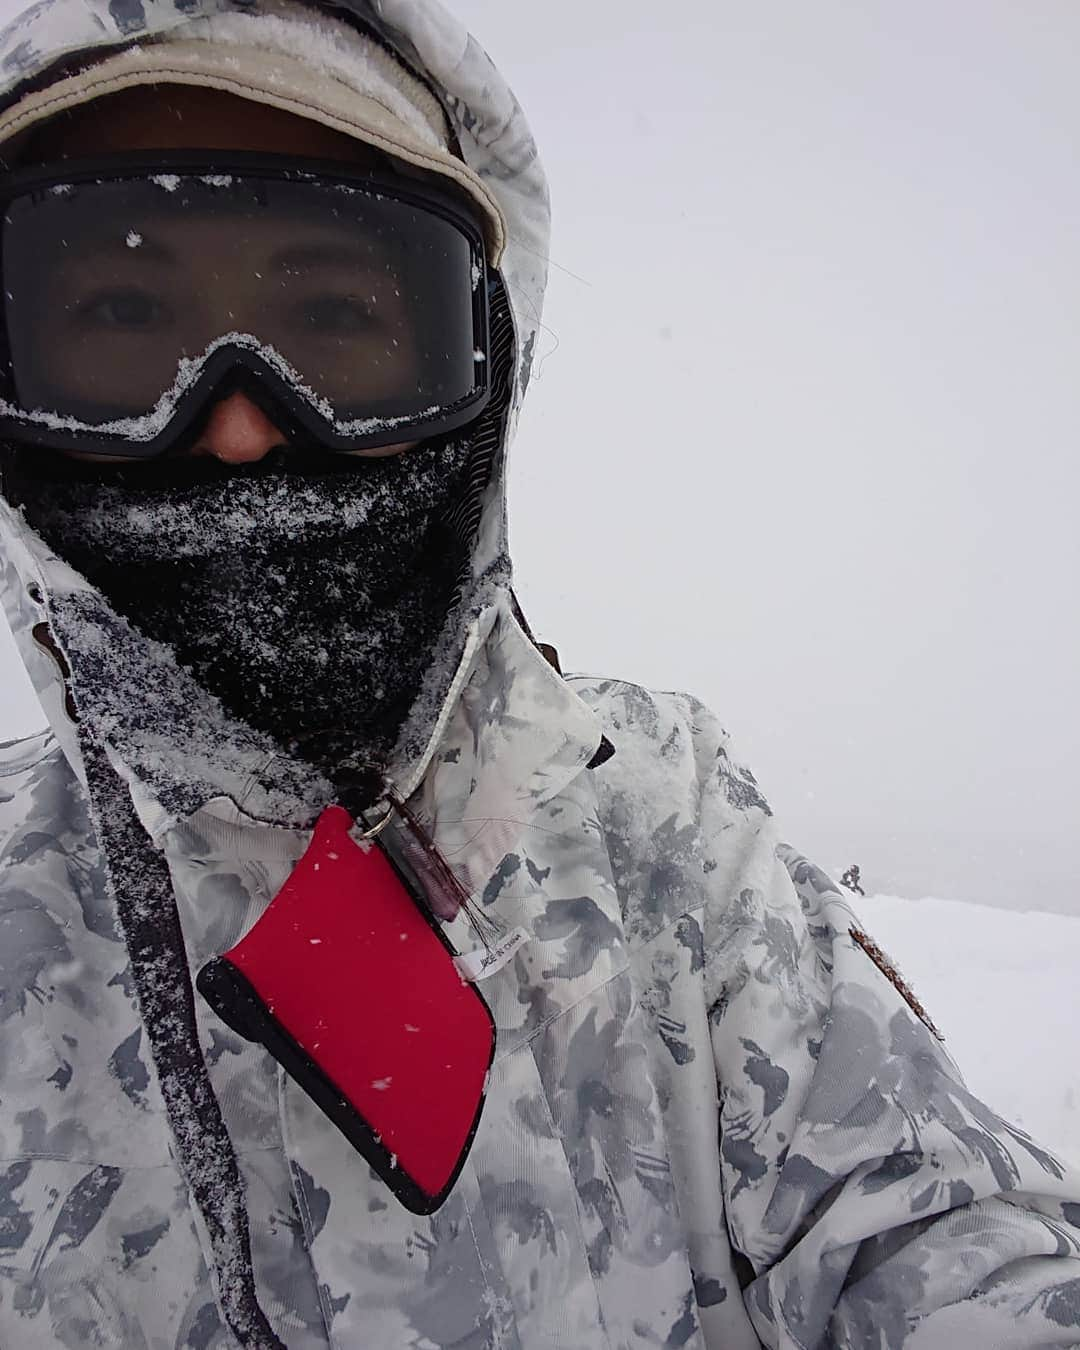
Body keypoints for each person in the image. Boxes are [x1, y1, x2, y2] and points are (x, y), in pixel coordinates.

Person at [0, 2, 1077, 1347]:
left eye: (335, 312)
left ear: (480, 363)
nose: (234, 424)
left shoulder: (664, 830)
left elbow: (948, 1233)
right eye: (116, 309)